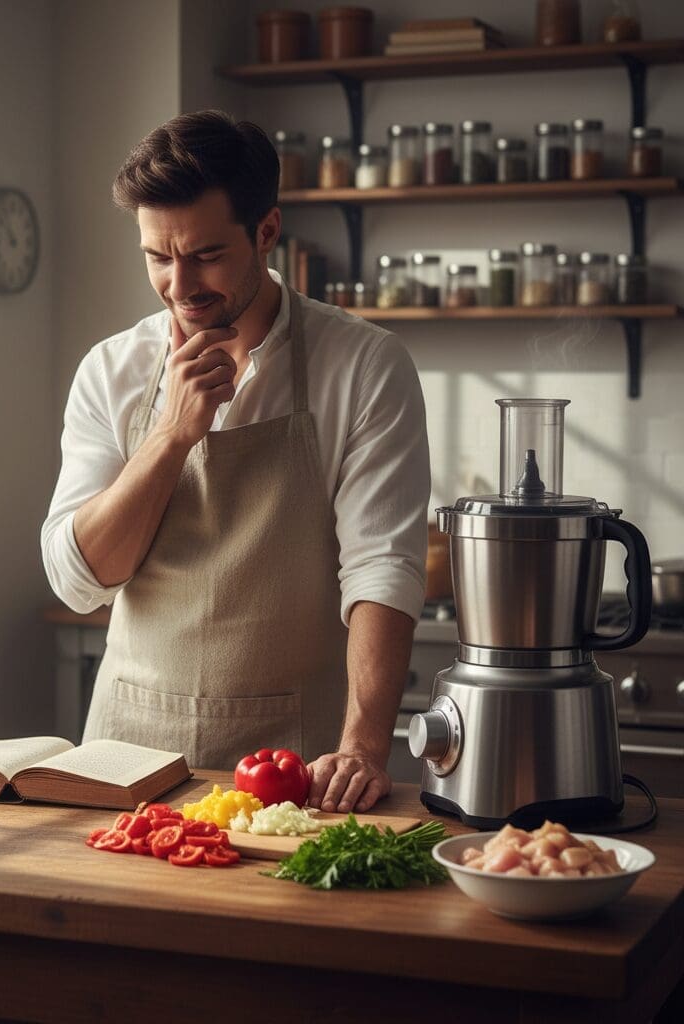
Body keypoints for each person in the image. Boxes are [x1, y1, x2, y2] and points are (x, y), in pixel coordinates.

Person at [41, 110, 429, 814]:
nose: (179, 284)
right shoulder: (111, 370)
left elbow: (382, 567)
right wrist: (168, 437)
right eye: (157, 256)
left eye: (206, 254)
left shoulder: (366, 366)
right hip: (127, 758)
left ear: (267, 232)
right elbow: (79, 581)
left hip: (297, 769)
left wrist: (364, 746)